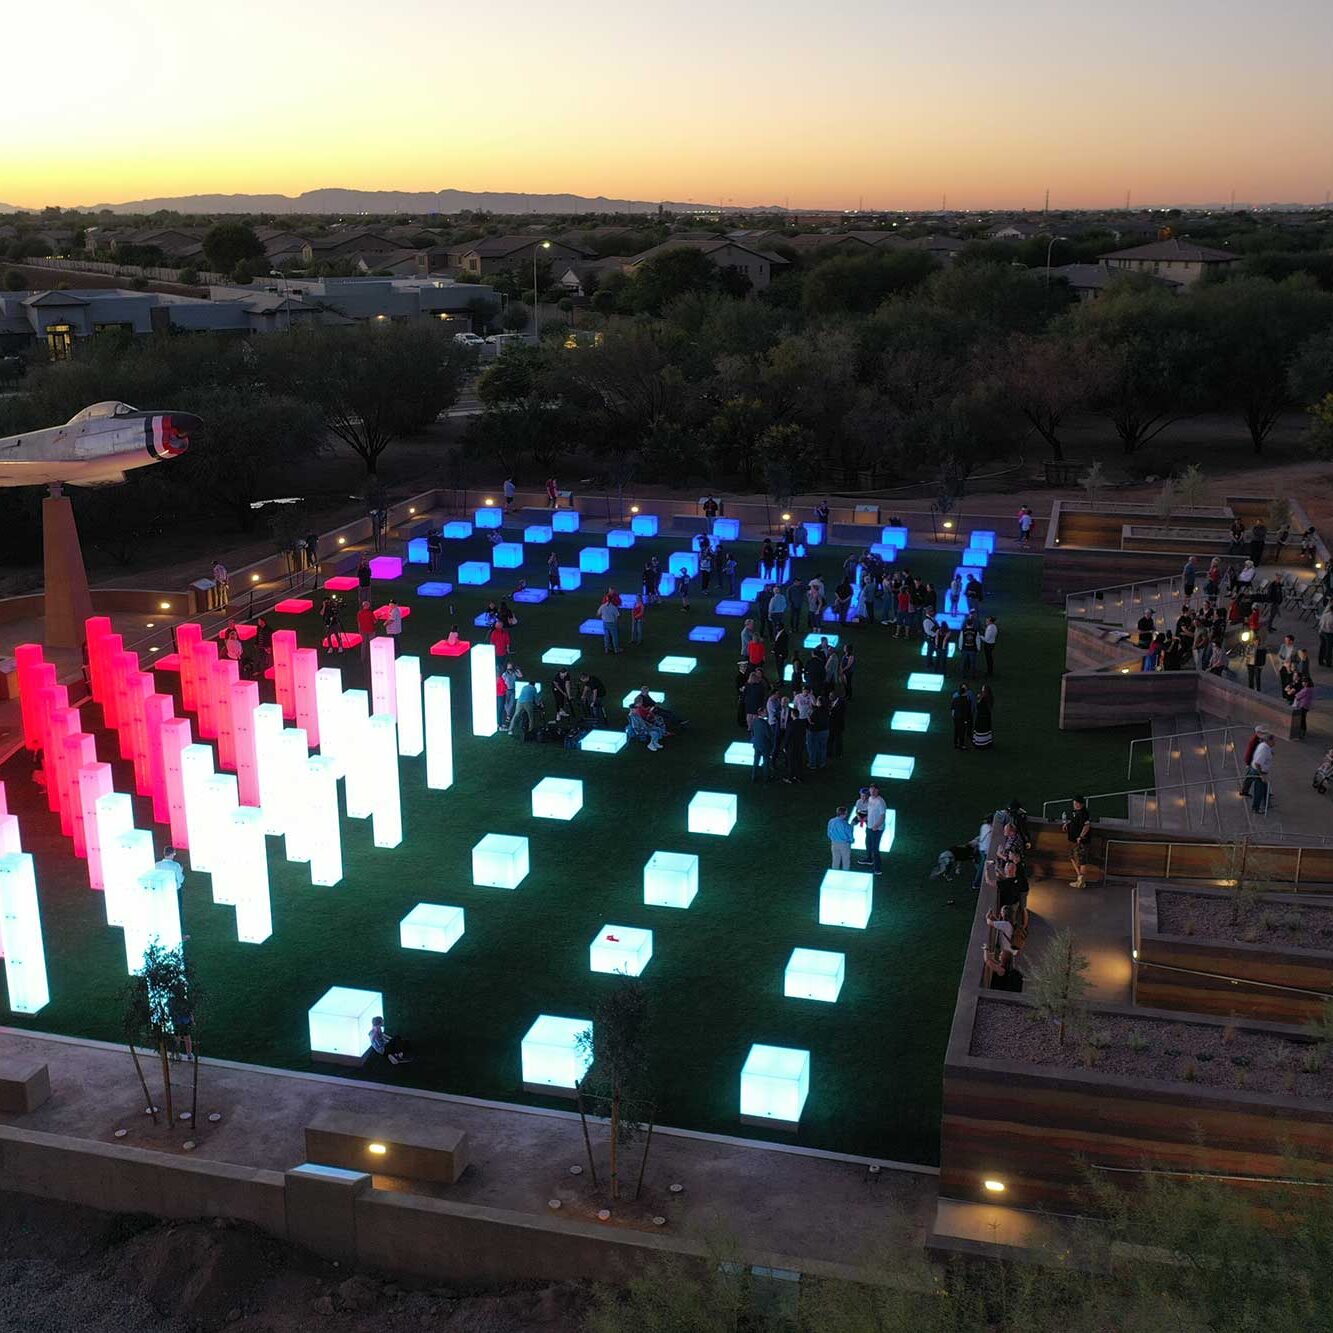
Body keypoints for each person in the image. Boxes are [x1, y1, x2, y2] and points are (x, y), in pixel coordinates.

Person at [1062, 796, 1092, 889]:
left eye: (1076, 803)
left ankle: (1081, 882)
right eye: (1074, 803)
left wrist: (1081, 836)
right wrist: (1067, 824)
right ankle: (1080, 878)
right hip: (1074, 840)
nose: (1074, 805)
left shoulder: (1084, 813)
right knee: (1072, 857)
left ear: (1081, 804)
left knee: (1082, 861)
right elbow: (1074, 821)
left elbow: (1087, 826)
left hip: (1081, 841)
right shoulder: (1075, 812)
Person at [859, 785, 887, 874]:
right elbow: (870, 811)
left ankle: (877, 869)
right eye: (871, 790)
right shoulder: (870, 799)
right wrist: (864, 818)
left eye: (874, 790)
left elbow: (883, 816)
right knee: (868, 843)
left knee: (875, 848)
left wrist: (876, 825)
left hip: (877, 829)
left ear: (878, 791)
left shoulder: (880, 802)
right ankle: (869, 859)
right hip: (869, 827)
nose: (872, 792)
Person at [1250, 732, 1274, 813]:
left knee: (1265, 788)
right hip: (1259, 772)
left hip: (1262, 772)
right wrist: (1261, 775)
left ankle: (1266, 803)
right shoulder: (1263, 749)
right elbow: (1257, 764)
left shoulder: (1266, 746)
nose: (1275, 742)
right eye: (1273, 741)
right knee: (1259, 791)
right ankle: (1255, 808)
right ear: (1268, 741)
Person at [950, 683, 973, 750]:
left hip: (956, 718)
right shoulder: (967, 701)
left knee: (956, 730)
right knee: (962, 732)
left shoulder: (955, 699)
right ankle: (961, 745)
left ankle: (955, 743)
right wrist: (966, 720)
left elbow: (953, 709)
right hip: (963, 719)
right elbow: (967, 712)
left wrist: (953, 717)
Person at [356, 601, 377, 674]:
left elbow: (358, 622)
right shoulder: (370, 613)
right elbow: (374, 621)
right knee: (372, 644)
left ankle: (363, 657)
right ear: (367, 606)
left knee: (363, 644)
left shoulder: (359, 613)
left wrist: (360, 630)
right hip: (371, 630)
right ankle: (373, 656)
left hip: (363, 630)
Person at [972, 684, 994, 750]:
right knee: (986, 730)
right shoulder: (990, 698)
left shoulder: (983, 699)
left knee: (981, 730)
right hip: (986, 717)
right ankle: (986, 742)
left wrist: (979, 699)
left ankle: (980, 743)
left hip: (981, 717)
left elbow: (978, 707)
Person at [1318, 603, 1333, 669]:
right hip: (1329, 633)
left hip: (1321, 632)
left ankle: (1320, 660)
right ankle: (1328, 662)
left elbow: (1320, 623)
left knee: (1322, 646)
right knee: (1329, 648)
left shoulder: (1325, 615)